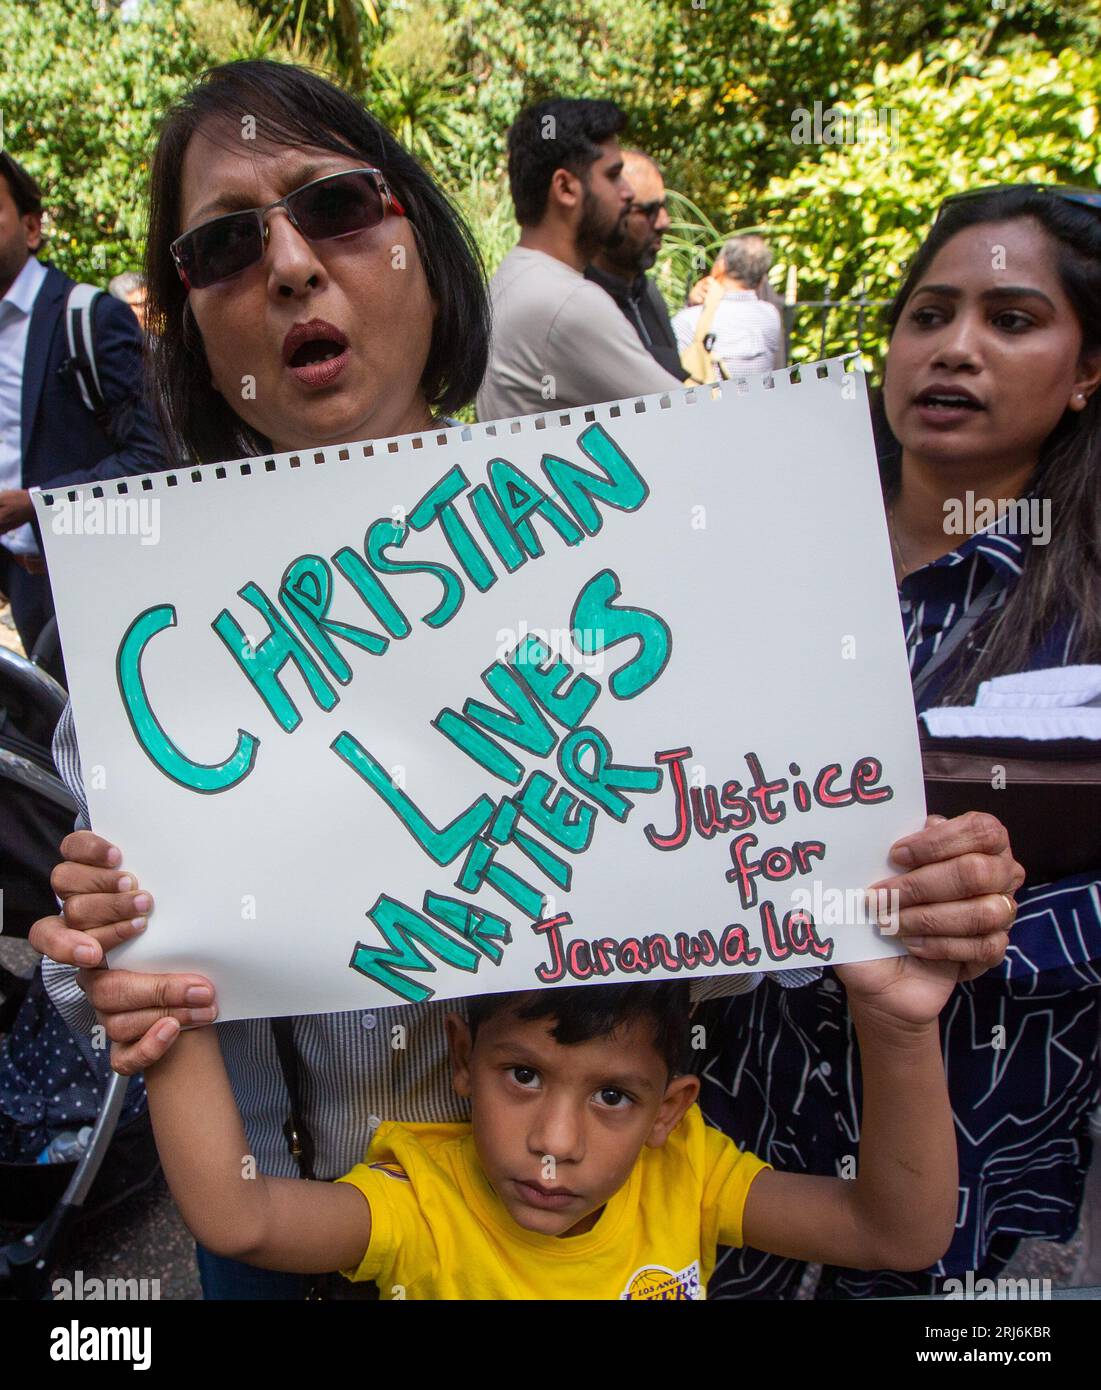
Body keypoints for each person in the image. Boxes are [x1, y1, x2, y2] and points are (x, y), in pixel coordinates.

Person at [31, 61, 1023, 1300]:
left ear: (424, 247)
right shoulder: (154, 648)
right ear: (187, 318)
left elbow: (756, 883)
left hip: (603, 1230)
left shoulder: (654, 538)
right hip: (306, 1238)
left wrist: (906, 898)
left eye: (334, 206)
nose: (287, 264)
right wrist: (101, 951)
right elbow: (105, 993)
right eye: (224, 243)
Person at [699, 184, 1101, 1299]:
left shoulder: (1084, 611)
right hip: (736, 1122)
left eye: (1012, 319)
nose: (955, 348)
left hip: (971, 1141)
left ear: (1086, 370)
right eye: (928, 315)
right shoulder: (757, 545)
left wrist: (995, 917)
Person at [145, 976, 960, 1299]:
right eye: (524, 1076)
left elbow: (893, 1230)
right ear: (463, 1062)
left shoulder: (687, 1173)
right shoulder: (426, 1199)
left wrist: (896, 1024)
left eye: (612, 1095)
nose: (554, 1143)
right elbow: (239, 1219)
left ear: (670, 1110)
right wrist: (166, 1014)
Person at [0, 152, 164, 662]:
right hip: (26, 588)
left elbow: (154, 459)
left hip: (109, 587)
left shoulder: (90, 318)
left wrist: (36, 504)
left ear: (30, 228)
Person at [476, 99, 684, 420]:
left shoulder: (514, 277)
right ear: (565, 188)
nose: (628, 192)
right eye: (614, 175)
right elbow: (690, 416)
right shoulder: (565, 302)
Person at [584, 150, 686, 379]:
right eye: (648, 211)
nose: (663, 222)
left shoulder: (648, 292)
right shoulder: (582, 306)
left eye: (663, 206)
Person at [672, 235, 782, 376]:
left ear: (721, 266)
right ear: (760, 280)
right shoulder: (770, 316)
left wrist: (691, 305)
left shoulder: (689, 320)